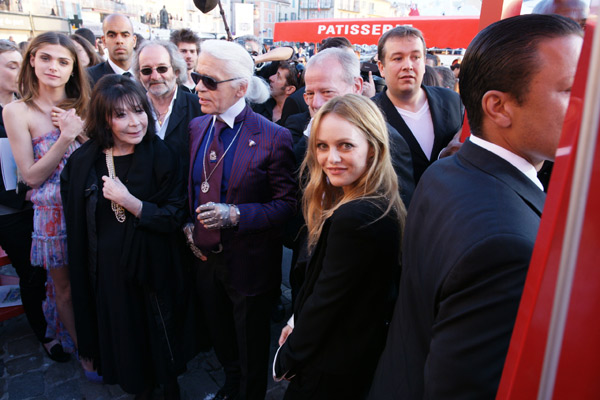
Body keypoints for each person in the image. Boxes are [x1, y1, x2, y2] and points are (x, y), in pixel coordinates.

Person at [368, 14, 583, 399]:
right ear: (498, 107)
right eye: (572, 89)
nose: (589, 104)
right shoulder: (507, 248)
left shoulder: (444, 171)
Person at [61, 74, 188, 399]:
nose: (135, 123)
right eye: (120, 115)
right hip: (107, 277)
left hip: (154, 273)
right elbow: (76, 225)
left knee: (160, 341)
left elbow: (174, 215)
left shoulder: (162, 155)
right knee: (126, 344)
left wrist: (131, 202)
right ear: (104, 119)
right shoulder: (83, 162)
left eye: (138, 111)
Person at [273, 94, 406, 399]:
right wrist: (296, 321)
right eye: (322, 146)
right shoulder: (374, 201)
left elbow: (327, 301)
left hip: (331, 368)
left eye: (345, 145)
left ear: (372, 149)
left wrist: (288, 356)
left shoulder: (356, 216)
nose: (331, 158)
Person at [188, 39, 296, 400]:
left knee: (250, 344)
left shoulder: (273, 137)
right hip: (206, 258)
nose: (198, 87)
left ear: (241, 87)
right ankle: (230, 383)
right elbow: (192, 186)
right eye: (195, 76)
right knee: (219, 333)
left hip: (249, 263)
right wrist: (189, 227)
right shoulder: (196, 127)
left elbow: (286, 205)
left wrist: (235, 214)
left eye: (209, 80)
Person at [3, 32, 89, 362]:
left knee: (97, 279)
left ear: (73, 69)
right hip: (52, 212)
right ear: (32, 60)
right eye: (46, 58)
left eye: (63, 61)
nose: (53, 66)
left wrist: (79, 130)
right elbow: (31, 176)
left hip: (91, 206)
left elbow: (104, 156)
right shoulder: (16, 111)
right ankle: (86, 351)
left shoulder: (85, 102)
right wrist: (65, 137)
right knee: (63, 287)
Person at [0, 39, 57, 361]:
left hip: (36, 201)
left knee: (49, 271)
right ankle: (44, 332)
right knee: (31, 270)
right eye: (10, 65)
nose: (19, 70)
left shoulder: (28, 106)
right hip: (8, 210)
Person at [374, 26, 463, 184]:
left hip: (451, 203)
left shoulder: (451, 101)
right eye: (397, 58)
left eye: (415, 57)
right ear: (381, 67)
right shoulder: (370, 112)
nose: (408, 65)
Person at [132, 40, 202, 173]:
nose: (155, 76)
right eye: (146, 71)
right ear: (139, 75)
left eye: (162, 68)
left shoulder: (198, 107)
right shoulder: (132, 109)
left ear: (176, 71)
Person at [87, 13, 137, 86]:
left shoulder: (147, 74)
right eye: (112, 35)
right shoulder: (89, 78)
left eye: (125, 35)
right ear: (104, 41)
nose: (119, 40)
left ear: (134, 40)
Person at [170, 28, 201, 94]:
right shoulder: (170, 85)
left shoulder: (203, 82)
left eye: (192, 51)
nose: (189, 56)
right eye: (183, 51)